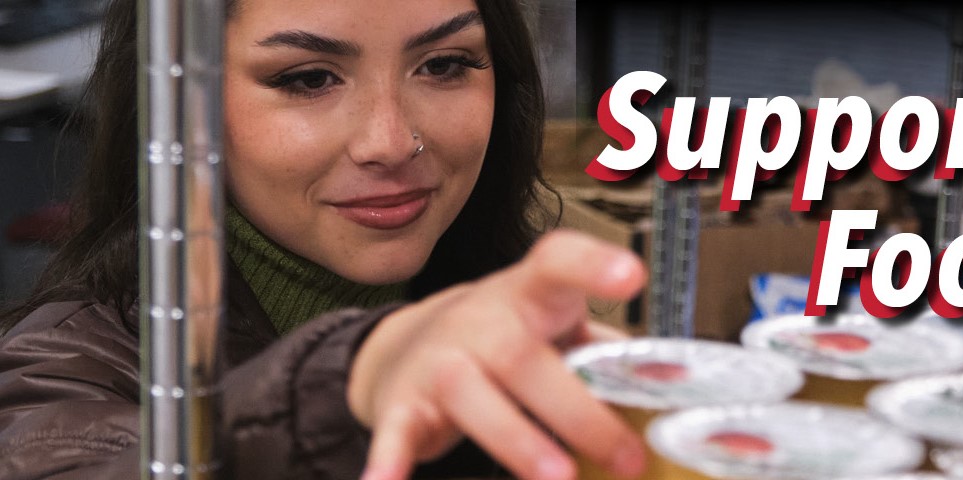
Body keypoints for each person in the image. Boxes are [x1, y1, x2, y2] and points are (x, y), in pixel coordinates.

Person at [0, 1, 648, 479]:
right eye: (309, 78)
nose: (391, 142)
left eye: (445, 64)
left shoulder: (501, 297)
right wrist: (356, 376)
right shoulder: (61, 368)